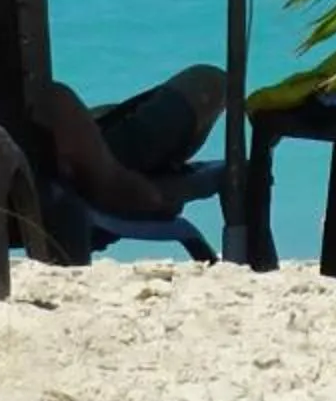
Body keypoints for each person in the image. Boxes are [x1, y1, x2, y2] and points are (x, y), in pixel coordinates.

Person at [19, 61, 227, 258]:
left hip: (12, 184)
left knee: (102, 112)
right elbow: (53, 101)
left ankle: (146, 173)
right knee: (210, 81)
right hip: (75, 175)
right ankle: (153, 179)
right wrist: (116, 181)